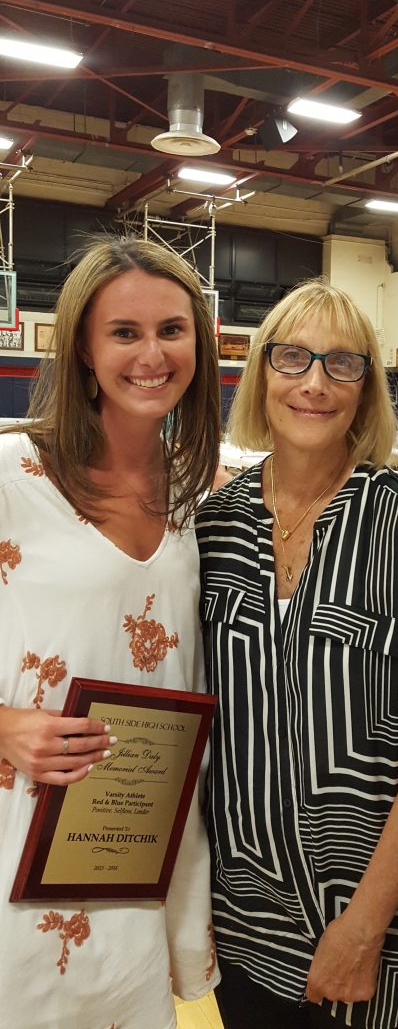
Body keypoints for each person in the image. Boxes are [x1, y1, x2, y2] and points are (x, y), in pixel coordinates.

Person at [196, 280, 398, 1029]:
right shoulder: (215, 527)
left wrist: (363, 928)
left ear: (365, 388)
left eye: (342, 363)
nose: (314, 383)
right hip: (246, 930)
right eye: (293, 358)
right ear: (260, 374)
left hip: (387, 943)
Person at [0, 238, 222, 1029]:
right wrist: (4, 726)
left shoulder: (198, 494)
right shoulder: (12, 476)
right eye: (124, 332)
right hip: (24, 827)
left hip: (139, 836)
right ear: (84, 351)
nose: (152, 355)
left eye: (171, 329)